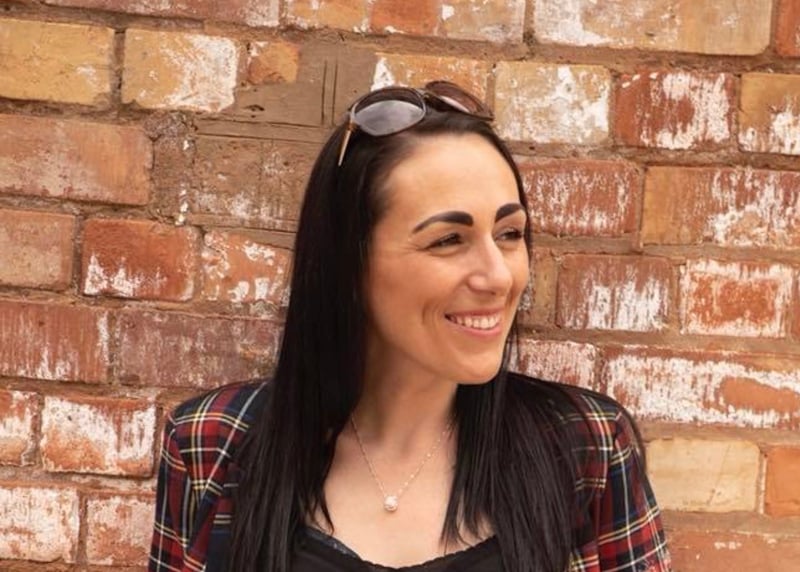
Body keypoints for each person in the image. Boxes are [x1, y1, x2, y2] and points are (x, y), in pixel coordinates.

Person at [149, 81, 672, 572]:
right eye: (448, 240)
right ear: (348, 263)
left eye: (510, 234)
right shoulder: (213, 443)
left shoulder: (585, 448)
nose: (498, 276)